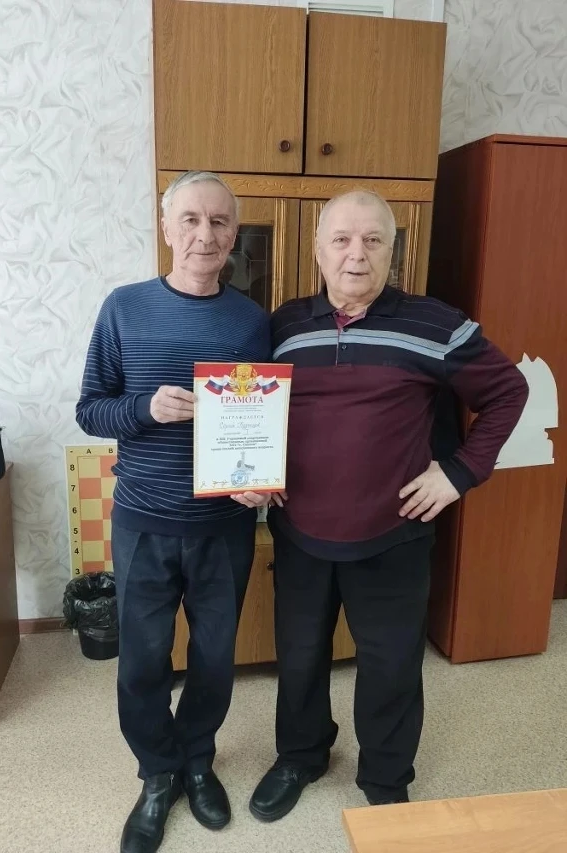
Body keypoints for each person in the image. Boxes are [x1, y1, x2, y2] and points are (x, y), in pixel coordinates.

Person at [249, 190, 529, 819]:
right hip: (300, 531)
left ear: (393, 251)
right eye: (342, 239)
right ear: (317, 249)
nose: (356, 254)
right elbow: (254, 407)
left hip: (394, 533)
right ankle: (301, 755)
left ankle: (385, 776)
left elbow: (509, 391)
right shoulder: (284, 325)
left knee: (391, 663)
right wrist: (254, 470)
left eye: (373, 239)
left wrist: (459, 472)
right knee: (299, 655)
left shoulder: (435, 324)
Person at [76, 171, 270, 853]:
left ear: (233, 234)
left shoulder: (252, 320)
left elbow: (265, 419)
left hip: (224, 525)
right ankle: (157, 774)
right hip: (144, 521)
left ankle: (197, 760)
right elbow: (90, 409)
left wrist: (263, 481)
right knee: (143, 661)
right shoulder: (124, 307)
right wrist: (144, 408)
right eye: (190, 219)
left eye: (218, 222)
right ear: (166, 227)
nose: (203, 235)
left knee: (215, 657)